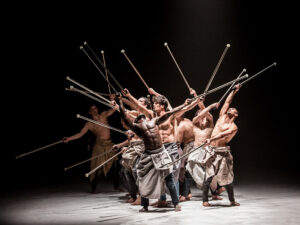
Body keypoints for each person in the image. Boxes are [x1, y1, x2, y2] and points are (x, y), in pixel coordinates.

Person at [117, 96, 192, 212]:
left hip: (161, 152)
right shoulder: (137, 128)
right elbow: (125, 116)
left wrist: (184, 104)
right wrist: (120, 102)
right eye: (140, 117)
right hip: (148, 154)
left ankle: (176, 203)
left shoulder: (153, 121)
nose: (142, 117)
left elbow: (170, 113)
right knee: (142, 179)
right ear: (137, 121)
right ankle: (145, 205)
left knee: (169, 179)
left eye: (143, 116)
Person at [63, 104, 120, 193]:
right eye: (92, 109)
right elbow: (80, 134)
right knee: (97, 168)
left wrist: (115, 103)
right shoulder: (89, 124)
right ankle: (93, 186)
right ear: (89, 112)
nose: (94, 110)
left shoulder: (104, 115)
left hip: (109, 144)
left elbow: (114, 109)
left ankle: (116, 186)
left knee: (115, 165)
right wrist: (69, 139)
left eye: (95, 108)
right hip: (99, 146)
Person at [201, 84, 242, 207]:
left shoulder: (233, 127)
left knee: (227, 178)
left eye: (233, 110)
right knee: (208, 176)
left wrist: (211, 139)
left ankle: (232, 200)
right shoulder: (222, 115)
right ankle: (205, 200)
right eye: (230, 108)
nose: (231, 109)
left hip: (222, 152)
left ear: (236, 115)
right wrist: (234, 91)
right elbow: (227, 101)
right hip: (212, 150)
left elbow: (223, 135)